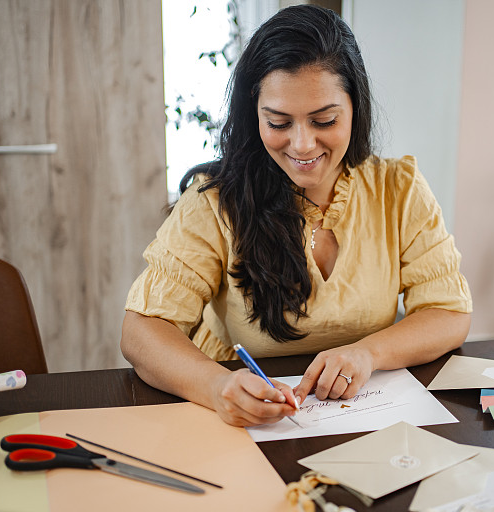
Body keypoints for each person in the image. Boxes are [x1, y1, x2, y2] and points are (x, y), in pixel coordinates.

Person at [121, 5, 472, 427]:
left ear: (354, 108)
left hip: (361, 413)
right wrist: (216, 386)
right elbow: (141, 332)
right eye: (279, 122)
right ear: (255, 115)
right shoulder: (214, 201)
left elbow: (449, 313)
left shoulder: (398, 189)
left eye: (324, 120)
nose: (303, 145)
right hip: (242, 421)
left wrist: (369, 352)